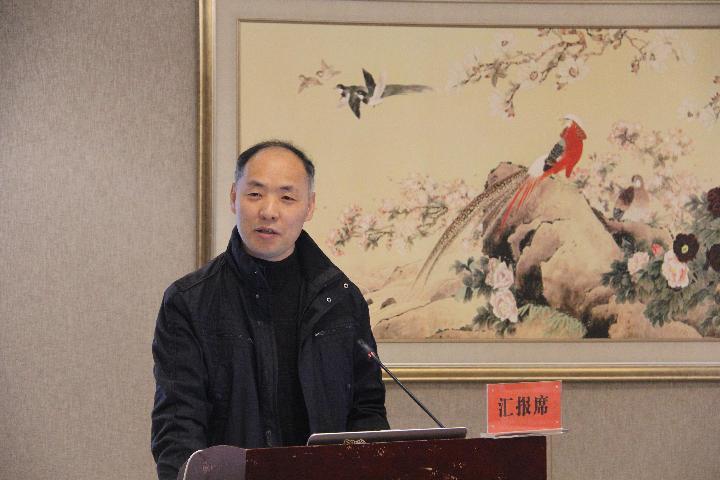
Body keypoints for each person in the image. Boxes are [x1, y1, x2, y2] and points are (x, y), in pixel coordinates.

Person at [151, 140, 389, 480]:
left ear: (309, 206)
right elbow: (178, 428)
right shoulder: (188, 302)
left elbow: (367, 411)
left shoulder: (341, 299)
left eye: (287, 198)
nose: (269, 211)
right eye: (255, 194)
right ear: (233, 197)